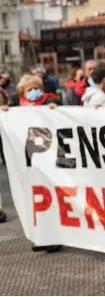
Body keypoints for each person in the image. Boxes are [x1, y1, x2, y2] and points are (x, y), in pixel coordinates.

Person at [0, 74, 62, 251]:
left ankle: (54, 237)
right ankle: (40, 237)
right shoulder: (15, 108)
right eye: (30, 89)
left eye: (37, 88)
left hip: (48, 157)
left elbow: (63, 110)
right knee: (34, 200)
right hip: (29, 161)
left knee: (51, 197)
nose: (34, 92)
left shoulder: (49, 100)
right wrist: (5, 111)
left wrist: (54, 107)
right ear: (22, 92)